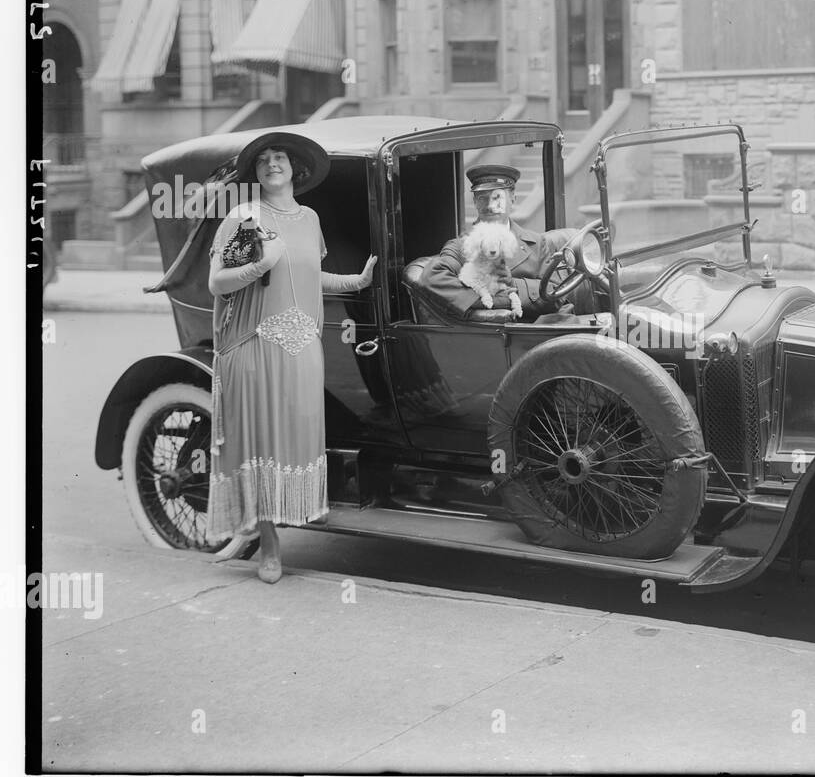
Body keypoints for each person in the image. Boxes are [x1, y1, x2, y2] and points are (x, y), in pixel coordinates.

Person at [206, 132, 376, 583]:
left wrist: (355, 282)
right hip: (257, 347)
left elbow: (308, 275)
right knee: (263, 444)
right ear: (256, 173)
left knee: (293, 442)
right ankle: (269, 546)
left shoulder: (309, 218)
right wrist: (261, 263)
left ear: (295, 169)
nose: (271, 165)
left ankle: (268, 525)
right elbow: (218, 283)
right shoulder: (246, 218)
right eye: (263, 161)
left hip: (303, 348)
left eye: (278, 157)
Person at [416, 163, 597, 319]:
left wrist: (514, 285)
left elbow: (556, 293)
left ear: (513, 199)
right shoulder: (462, 246)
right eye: (482, 198)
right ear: (475, 202)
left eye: (497, 197)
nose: (489, 206)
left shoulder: (535, 243)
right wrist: (495, 299)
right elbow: (432, 278)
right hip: (502, 338)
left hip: (545, 328)